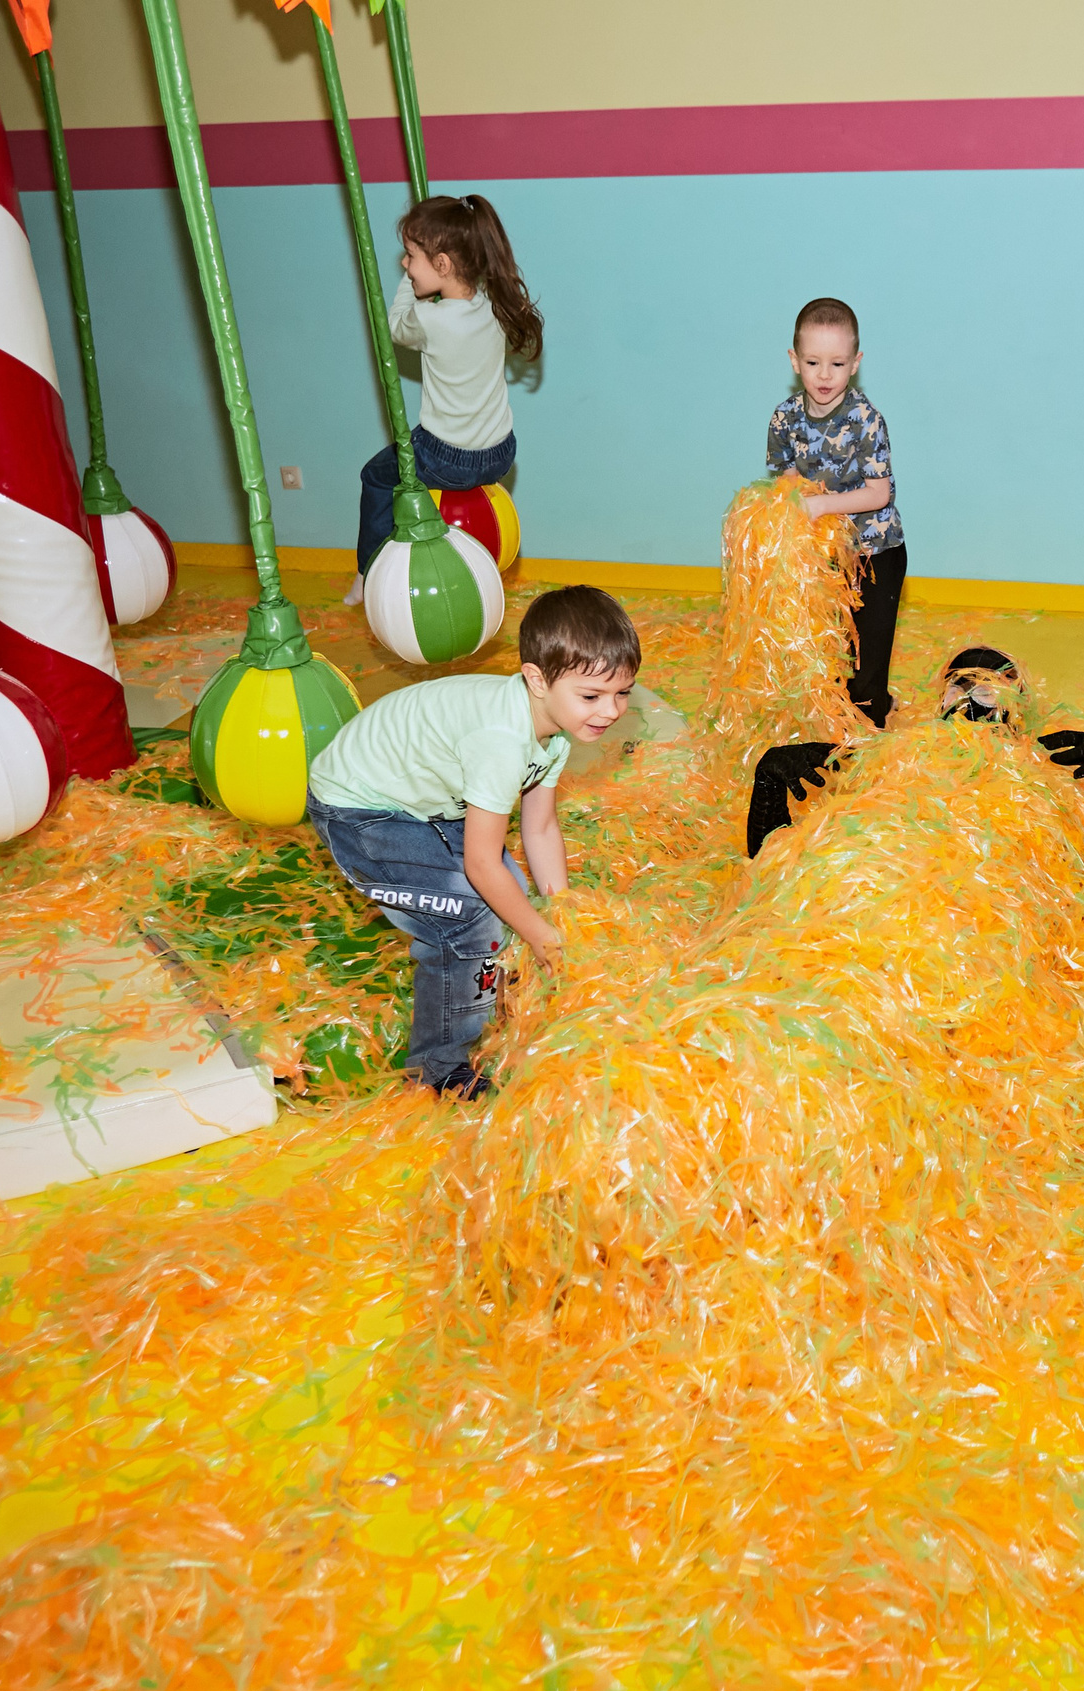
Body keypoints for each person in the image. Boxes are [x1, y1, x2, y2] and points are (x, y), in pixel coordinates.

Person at [305, 585, 638, 1098]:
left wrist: (559, 913)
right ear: (536, 679)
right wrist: (543, 939)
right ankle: (438, 1068)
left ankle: (494, 1006)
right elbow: (483, 866)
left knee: (517, 899)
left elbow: (541, 826)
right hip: (361, 808)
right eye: (592, 696)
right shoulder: (501, 741)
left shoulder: (555, 731)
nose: (611, 711)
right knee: (470, 917)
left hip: (429, 802)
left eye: (622, 693)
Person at [747, 647, 1084, 893]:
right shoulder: (889, 762)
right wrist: (768, 783)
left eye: (991, 691)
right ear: (940, 701)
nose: (972, 701)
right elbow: (773, 882)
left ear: (1017, 706)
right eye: (960, 686)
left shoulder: (1050, 777)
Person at [347, 195, 540, 601]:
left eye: (411, 256)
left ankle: (367, 572)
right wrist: (424, 275)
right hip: (500, 453)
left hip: (446, 457)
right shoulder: (495, 308)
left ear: (443, 265)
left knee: (377, 477)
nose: (404, 264)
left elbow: (394, 327)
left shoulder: (431, 319)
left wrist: (407, 287)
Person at [766, 298, 903, 727]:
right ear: (794, 360)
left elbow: (878, 493)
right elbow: (788, 484)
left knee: (868, 656)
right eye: (813, 362)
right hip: (825, 558)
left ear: (855, 363)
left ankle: (872, 724)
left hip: (876, 552)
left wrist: (821, 506)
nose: (825, 375)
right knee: (833, 652)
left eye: (838, 364)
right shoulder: (784, 420)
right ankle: (843, 721)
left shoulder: (866, 419)